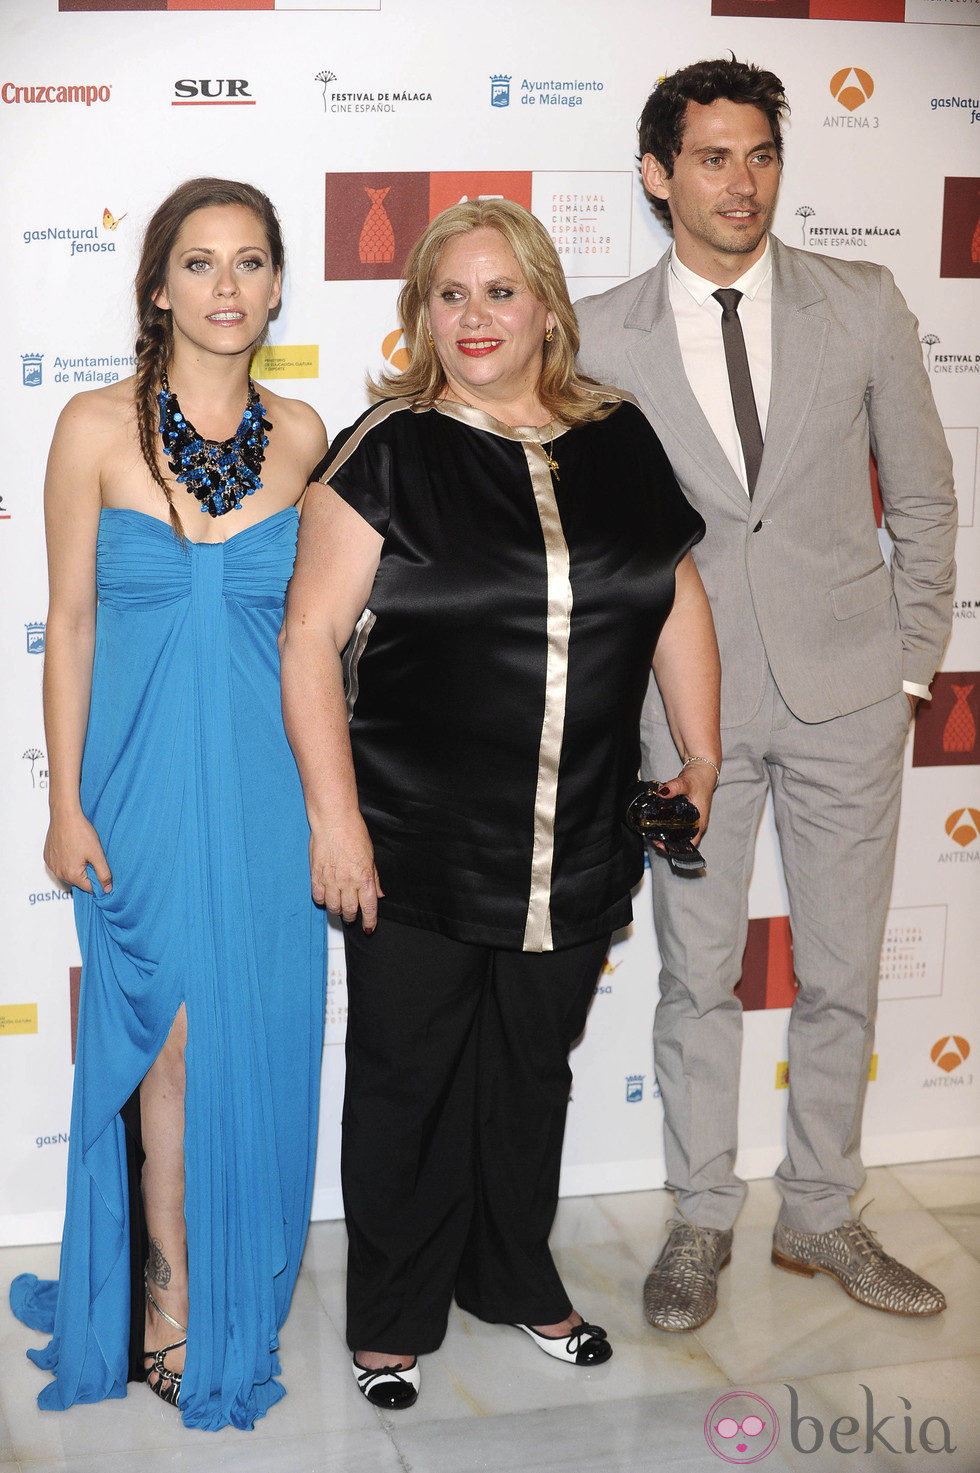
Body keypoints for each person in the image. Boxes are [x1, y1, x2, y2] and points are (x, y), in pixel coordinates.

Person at [280, 198, 721, 1410]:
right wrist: (336, 819)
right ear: (423, 312)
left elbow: (672, 592)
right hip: (414, 841)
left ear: (544, 307)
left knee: (532, 1070)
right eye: (449, 294)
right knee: (406, 1075)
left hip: (578, 834)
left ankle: (513, 1276)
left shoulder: (617, 436)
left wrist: (702, 753)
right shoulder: (386, 446)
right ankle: (391, 1315)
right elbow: (308, 638)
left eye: (499, 291)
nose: (475, 316)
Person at [575, 58, 957, 1333]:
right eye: (710, 158)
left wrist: (905, 671)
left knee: (843, 966)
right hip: (685, 715)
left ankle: (822, 1214)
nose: (740, 183)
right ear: (656, 176)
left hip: (849, 695)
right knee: (697, 976)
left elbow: (921, 498)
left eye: (759, 156)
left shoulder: (861, 303)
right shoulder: (599, 332)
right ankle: (696, 1216)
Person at [9, 178, 329, 1430]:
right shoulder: (91, 427)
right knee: (168, 1043)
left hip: (267, 787)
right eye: (199, 264)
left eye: (251, 262)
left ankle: (231, 1274)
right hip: (135, 784)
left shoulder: (305, 437)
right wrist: (65, 802)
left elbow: (324, 637)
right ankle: (165, 1298)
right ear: (158, 287)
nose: (228, 287)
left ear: (277, 284)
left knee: (251, 1035)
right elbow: (70, 628)